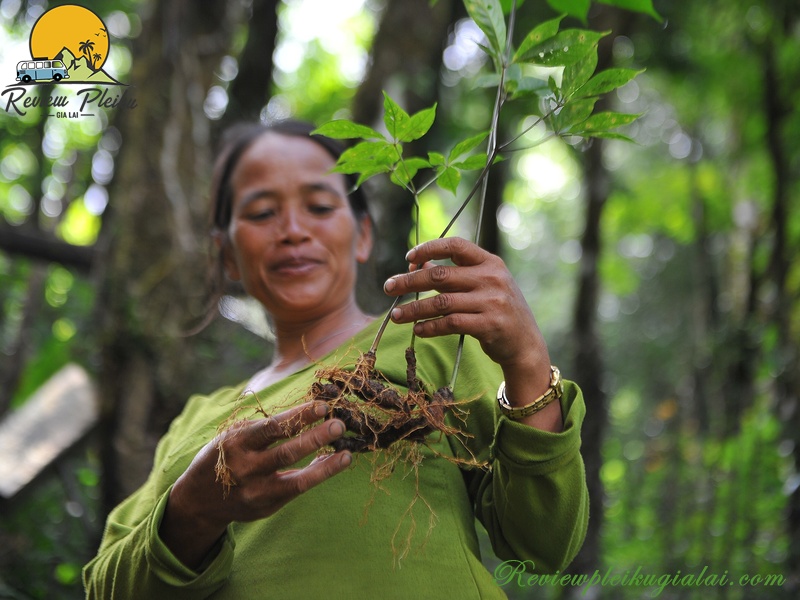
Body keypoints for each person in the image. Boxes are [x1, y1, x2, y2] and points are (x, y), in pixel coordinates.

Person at [83, 119, 589, 598]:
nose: (292, 229)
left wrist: (527, 361)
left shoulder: (430, 339)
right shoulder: (195, 419)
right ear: (227, 253)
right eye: (261, 213)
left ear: (363, 234)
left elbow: (544, 544)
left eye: (320, 207)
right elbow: (105, 586)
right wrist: (192, 511)